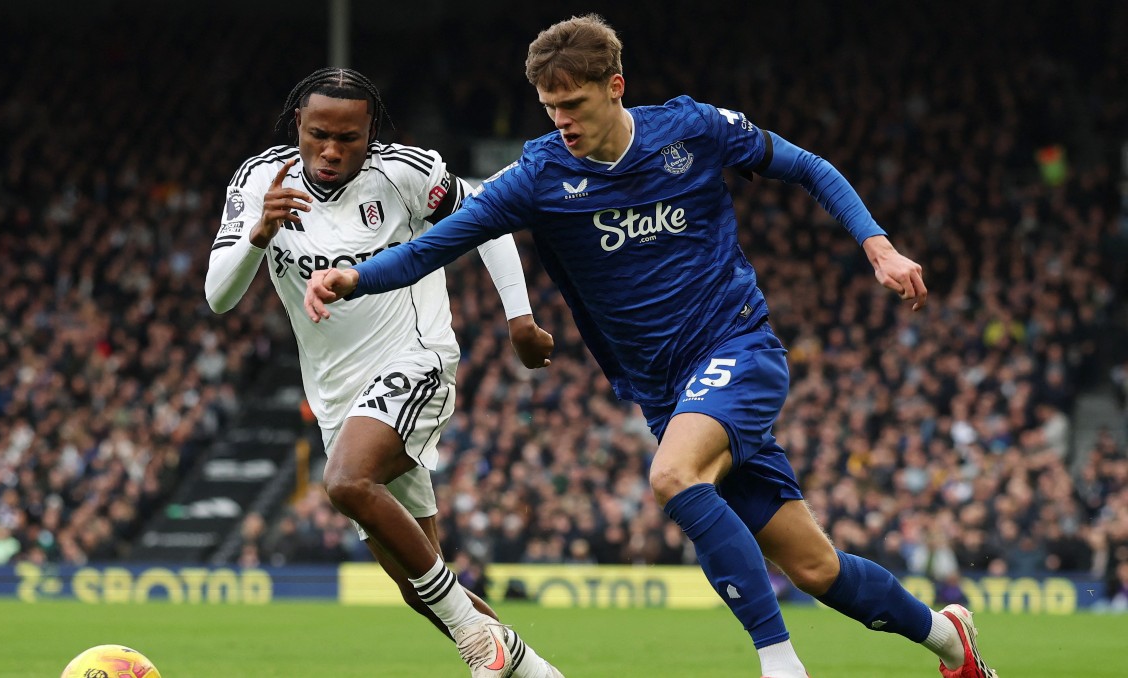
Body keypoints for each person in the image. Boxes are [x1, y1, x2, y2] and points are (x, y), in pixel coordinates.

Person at [303, 16, 996, 678]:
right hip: (666, 393)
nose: (562, 120)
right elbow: (435, 246)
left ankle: (779, 662)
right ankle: (949, 639)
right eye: (550, 107)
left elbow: (808, 165)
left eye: (574, 104)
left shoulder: (692, 130)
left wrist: (878, 245)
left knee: (673, 477)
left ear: (615, 86)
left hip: (737, 347)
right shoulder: (540, 176)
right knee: (817, 568)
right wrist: (356, 278)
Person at [206, 67, 562, 678]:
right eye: (318, 135)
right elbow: (219, 296)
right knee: (419, 584)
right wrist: (259, 234)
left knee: (346, 481)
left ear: (371, 133)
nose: (331, 150)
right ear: (298, 125)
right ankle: (531, 669)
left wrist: (520, 317)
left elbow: (490, 217)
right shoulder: (260, 180)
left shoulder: (406, 173)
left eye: (348, 138)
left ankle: (478, 640)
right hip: (338, 396)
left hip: (415, 358)